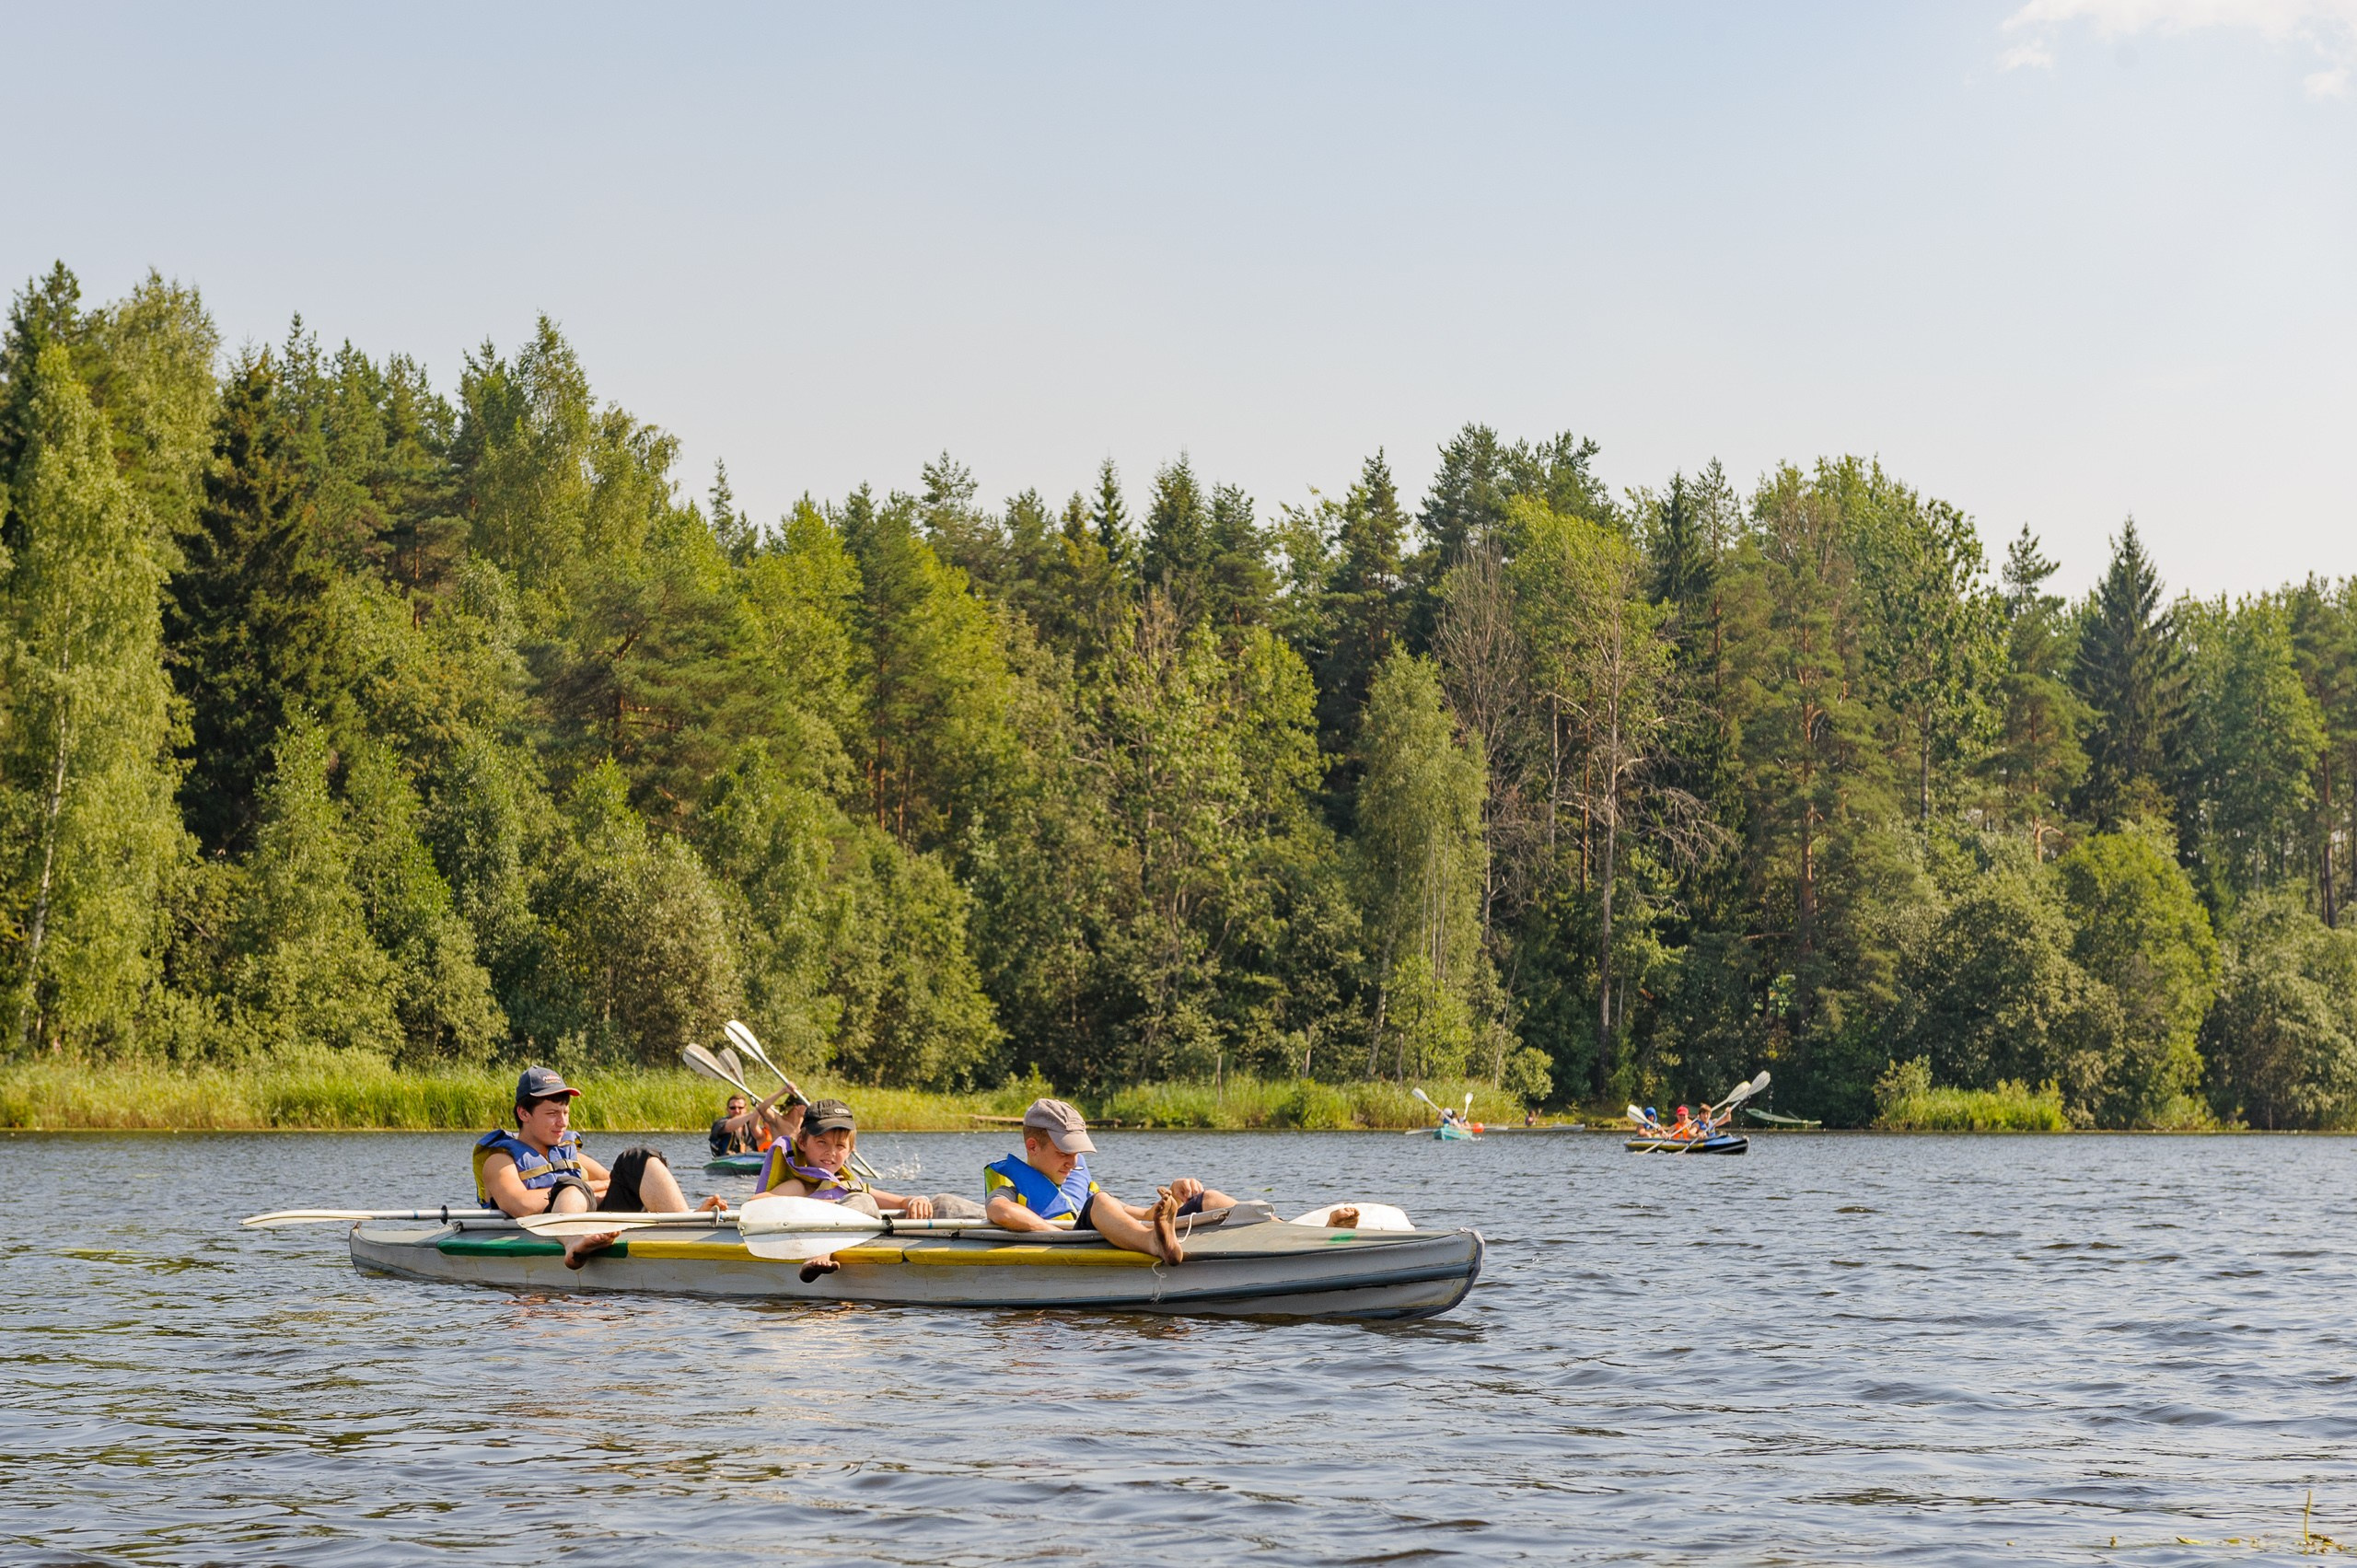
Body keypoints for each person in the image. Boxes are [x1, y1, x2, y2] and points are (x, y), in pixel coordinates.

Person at [474, 1066, 722, 1269]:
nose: (562, 1122)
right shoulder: (499, 1160)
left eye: (565, 1112)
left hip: (592, 1219)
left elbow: (618, 1182)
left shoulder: (570, 1154)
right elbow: (522, 1206)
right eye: (552, 1113)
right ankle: (573, 1244)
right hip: (549, 1229)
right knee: (571, 1187)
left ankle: (684, 1222)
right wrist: (586, 1188)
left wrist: (591, 1190)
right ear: (524, 1114)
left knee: (637, 1158)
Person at [982, 1098, 1236, 1264]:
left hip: (1100, 1233)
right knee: (1101, 1201)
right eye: (1063, 1153)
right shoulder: (1010, 1187)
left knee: (1210, 1199)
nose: (1072, 1162)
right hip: (1073, 1244)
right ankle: (1154, 1243)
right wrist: (1058, 1235)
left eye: (1076, 1153)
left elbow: (1143, 1216)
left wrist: (1174, 1200)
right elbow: (1000, 1210)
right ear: (1033, 1146)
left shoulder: (1081, 1185)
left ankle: (1260, 1225)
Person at [756, 1099, 935, 1219]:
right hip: (816, 1243)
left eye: (840, 1146)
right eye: (822, 1143)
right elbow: (755, 1204)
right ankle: (822, 1253)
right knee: (863, 1201)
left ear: (850, 1150)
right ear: (802, 1143)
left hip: (861, 1238)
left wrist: (915, 1201)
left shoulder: (850, 1187)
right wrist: (827, 1204)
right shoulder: (800, 1186)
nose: (831, 1152)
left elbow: (901, 1202)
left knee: (942, 1203)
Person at [709, 1084, 801, 1157]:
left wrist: (759, 1110)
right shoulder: (720, 1124)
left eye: (740, 1108)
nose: (737, 1111)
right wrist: (756, 1111)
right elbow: (730, 1126)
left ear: (745, 1108)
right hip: (727, 1158)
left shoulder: (750, 1125)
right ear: (727, 1109)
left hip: (750, 1159)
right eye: (733, 1108)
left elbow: (755, 1127)